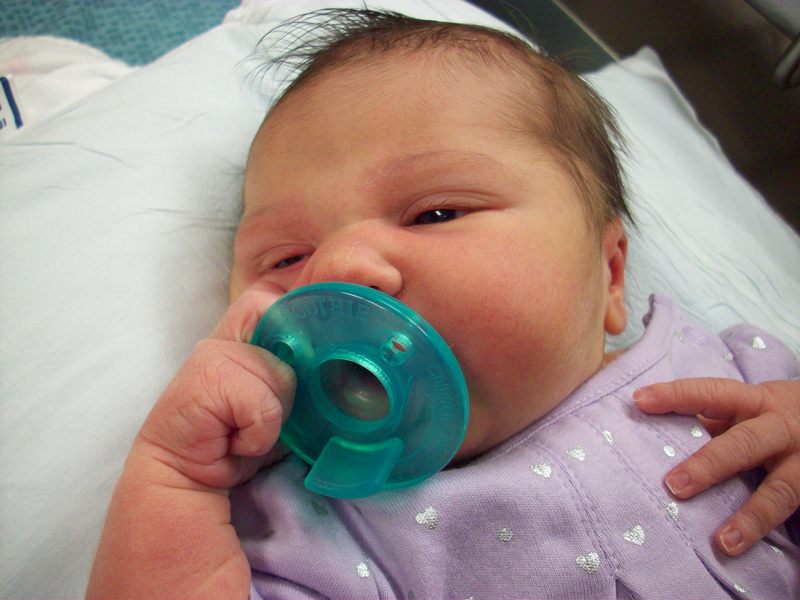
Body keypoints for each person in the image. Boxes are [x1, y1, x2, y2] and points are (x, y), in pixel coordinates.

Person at [87, 8, 800, 599]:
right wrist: (175, 482)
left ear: (610, 275)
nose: (336, 271)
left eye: (435, 214)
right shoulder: (327, 523)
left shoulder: (727, 381)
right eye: (285, 259)